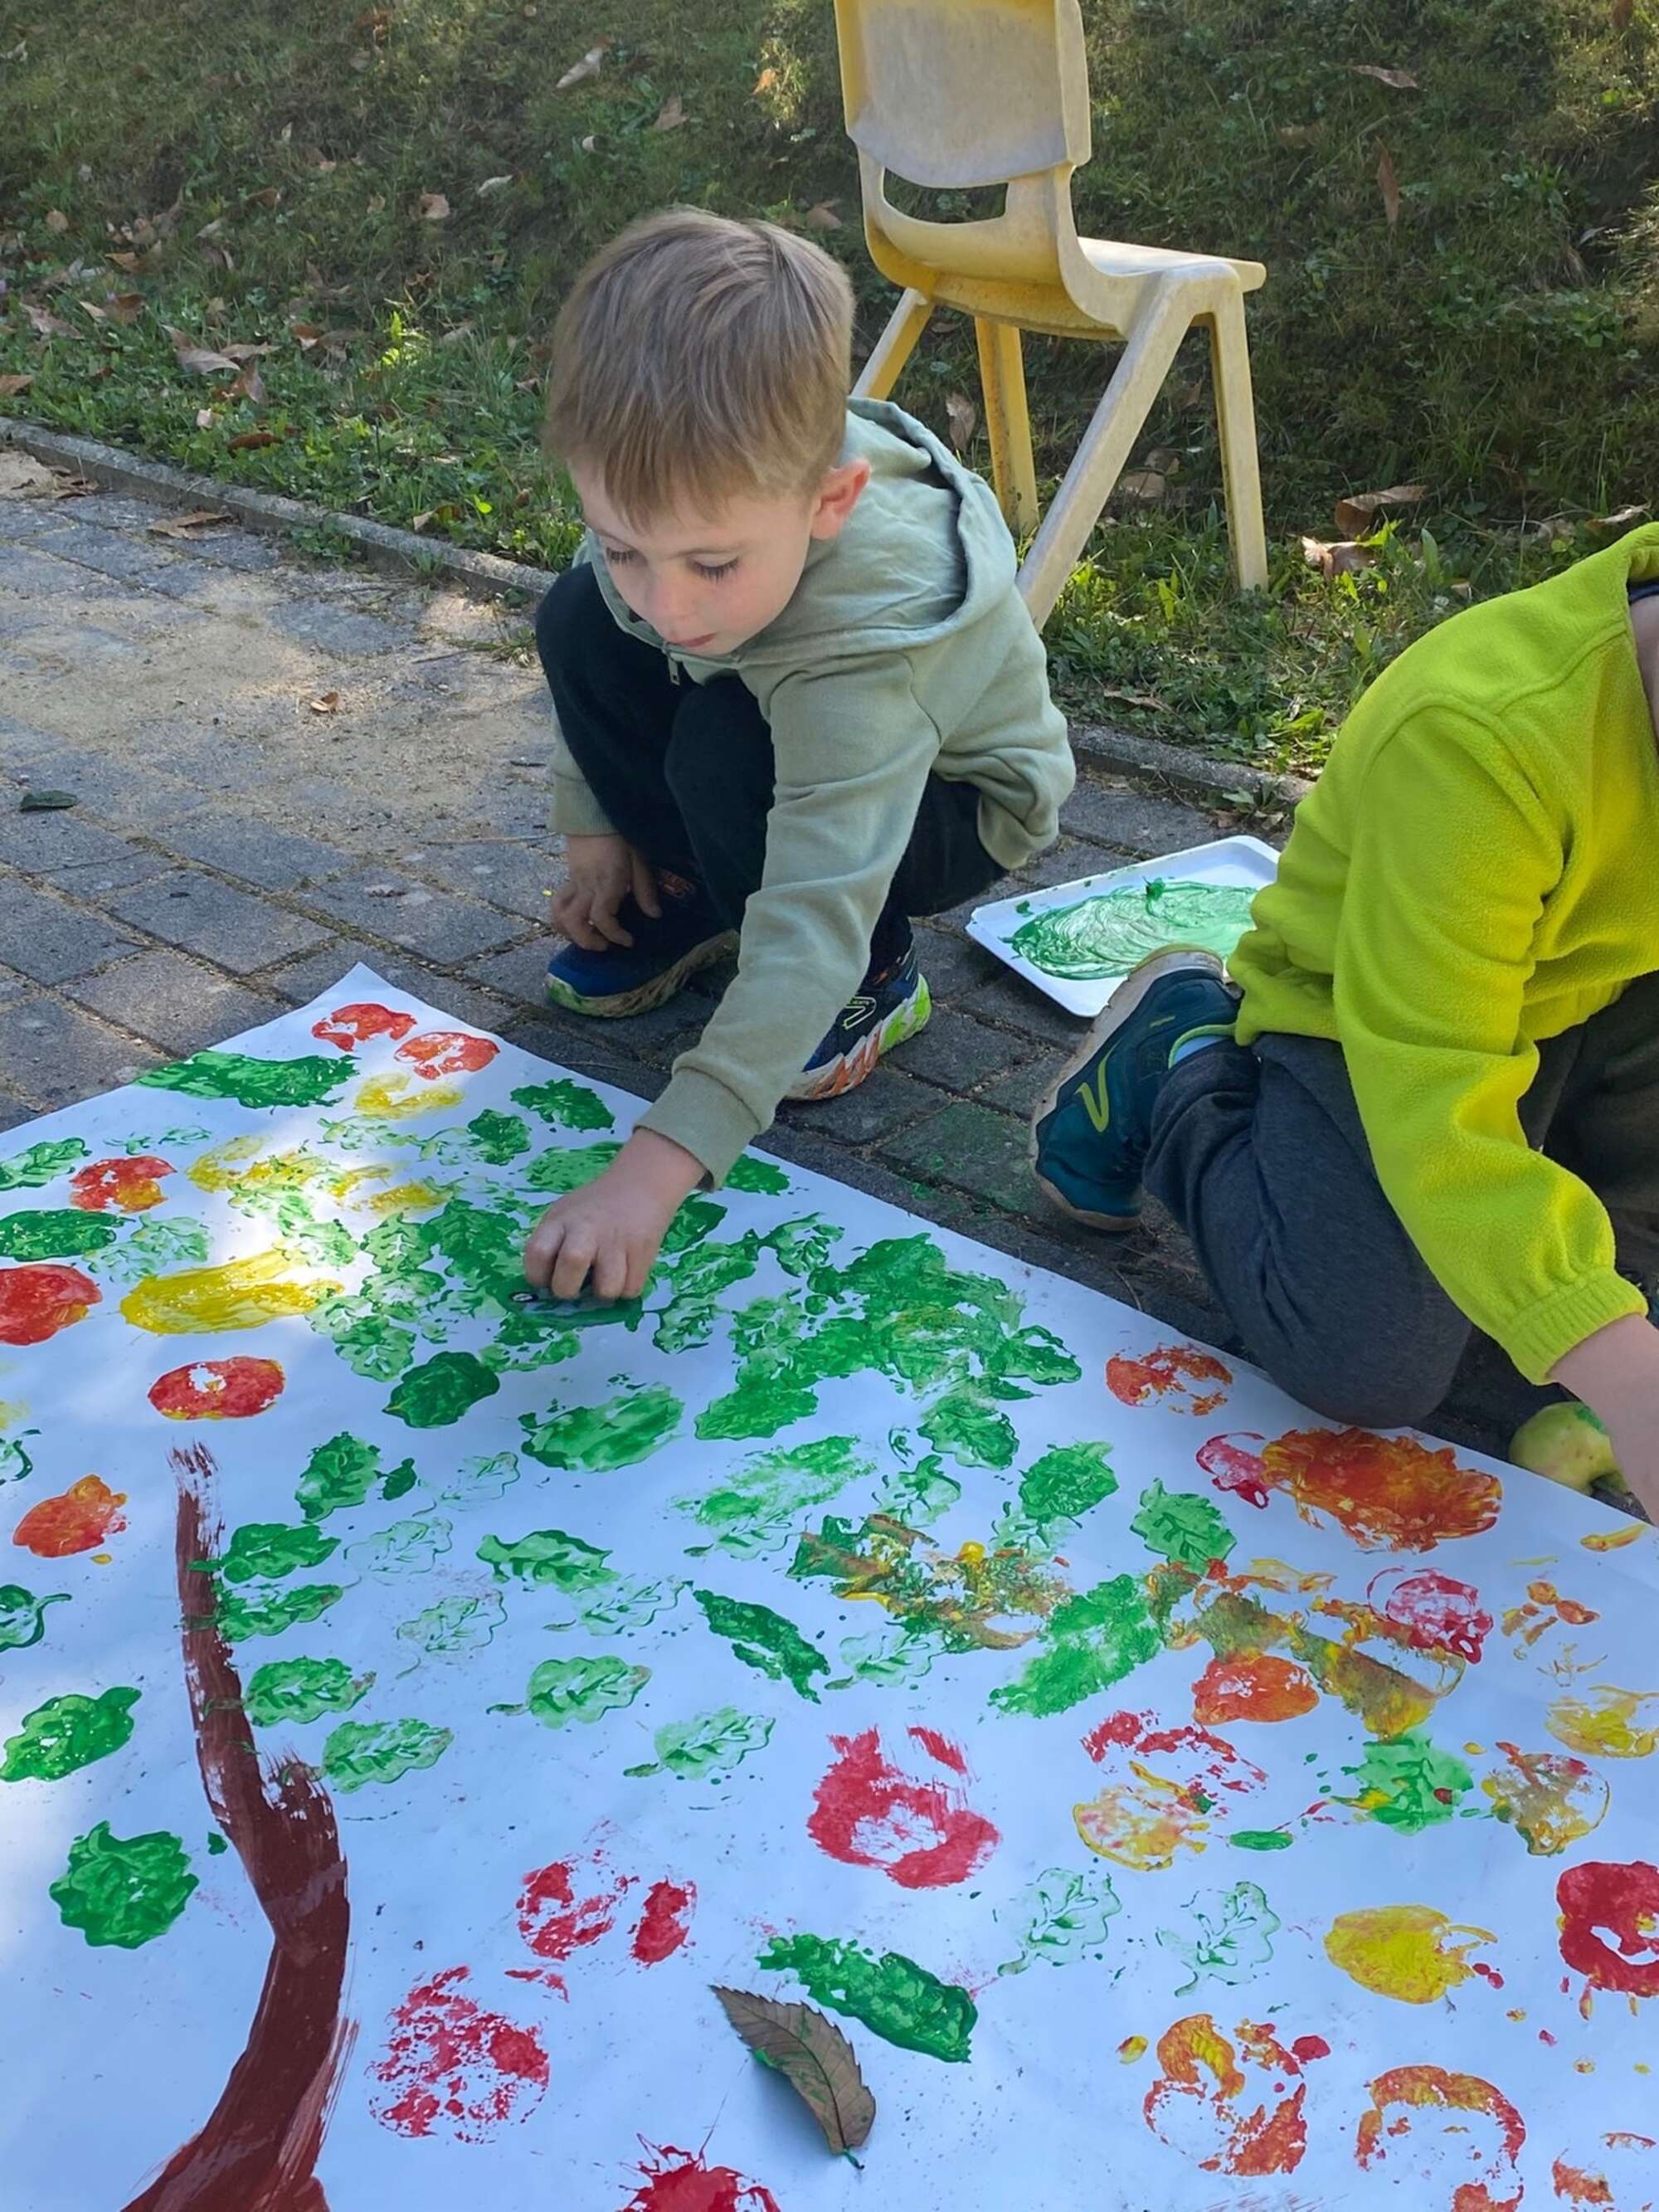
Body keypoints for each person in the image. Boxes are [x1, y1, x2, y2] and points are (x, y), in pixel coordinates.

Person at [1031, 522, 1659, 1521]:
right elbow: (1432, 1088)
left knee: (1569, 1301)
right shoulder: (1484, 736)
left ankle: (1581, 1242)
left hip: (1591, 994)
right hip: (1366, 1018)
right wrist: (1626, 1376)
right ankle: (1181, 1067)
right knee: (1368, 1358)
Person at [523, 207, 1073, 1301]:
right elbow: (621, 619)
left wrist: (653, 1170)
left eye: (711, 565)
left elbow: (814, 902)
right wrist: (597, 826)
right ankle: (691, 894)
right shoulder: (674, 498)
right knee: (577, 614)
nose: (669, 603)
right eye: (629, 545)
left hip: (947, 805)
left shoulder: (872, 636)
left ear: (830, 502)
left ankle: (877, 974)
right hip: (779, 723)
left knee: (724, 751)